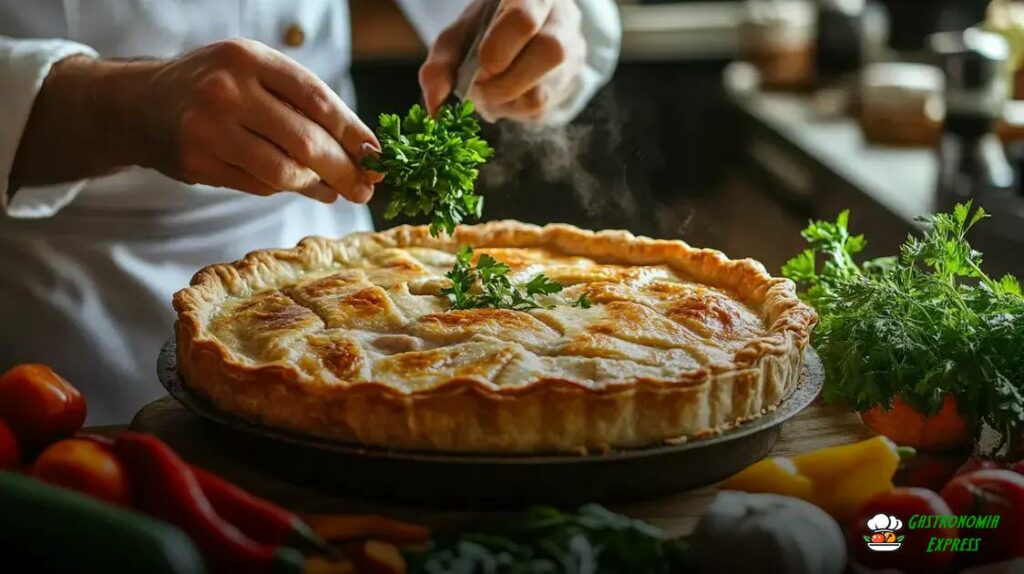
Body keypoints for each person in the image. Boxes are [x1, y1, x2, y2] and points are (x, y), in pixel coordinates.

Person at [0, 0, 621, 424]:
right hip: (60, 334)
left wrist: (545, 29)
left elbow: (556, 21)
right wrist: (111, 107)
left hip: (342, 294)